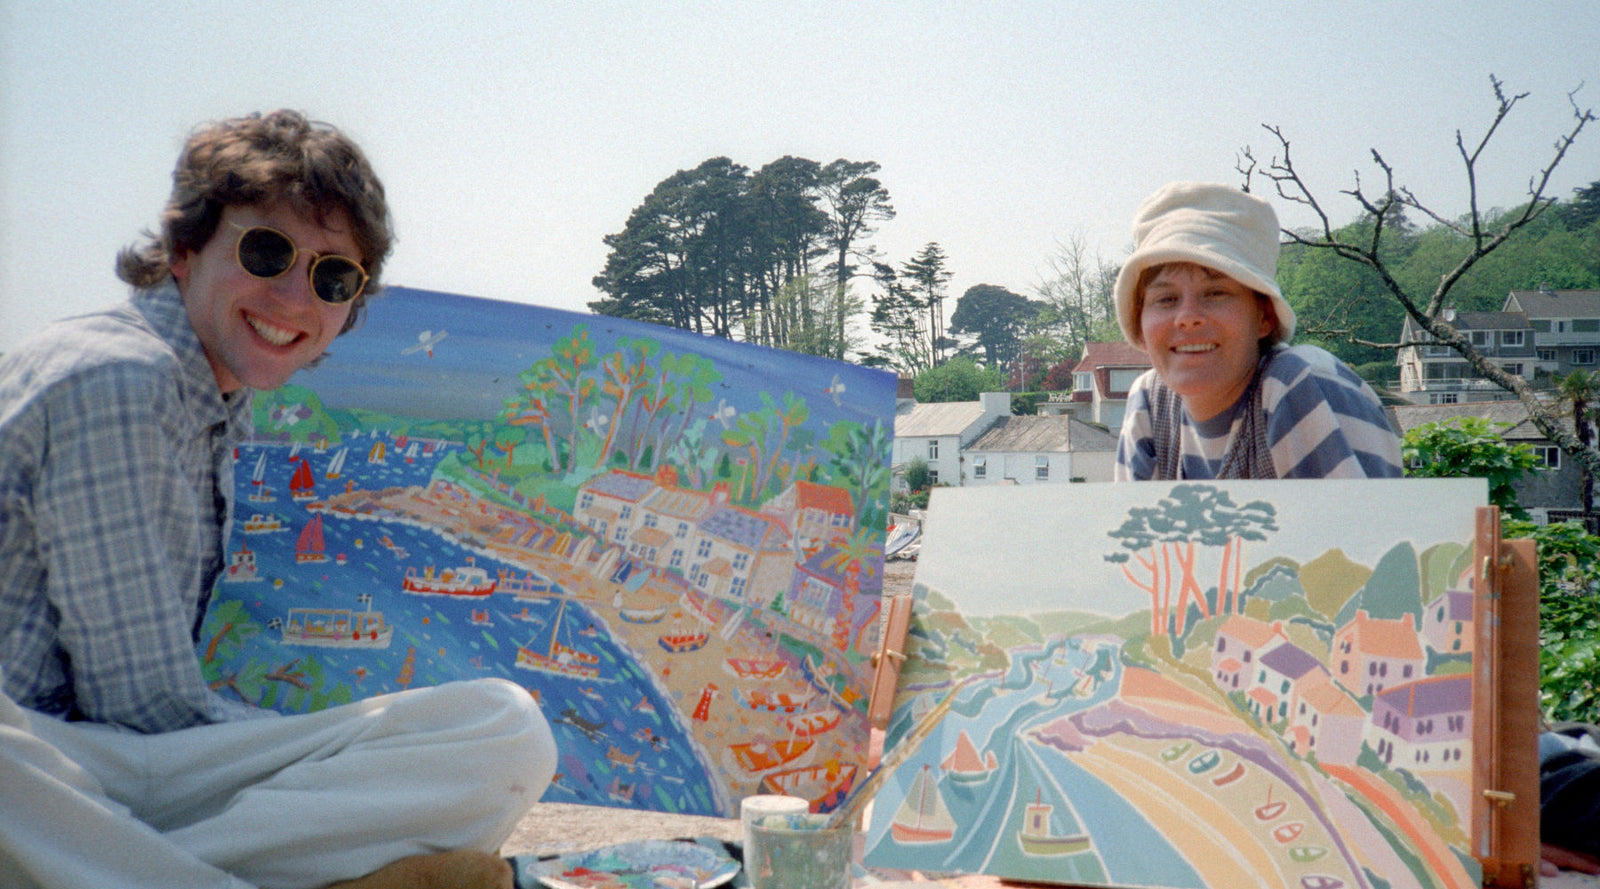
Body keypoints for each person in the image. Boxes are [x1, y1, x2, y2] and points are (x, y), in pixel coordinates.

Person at [0, 110, 555, 889]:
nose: (296, 297)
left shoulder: (213, 394)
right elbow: (140, 704)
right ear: (186, 249)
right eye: (268, 251)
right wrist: (322, 777)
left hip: (99, 771)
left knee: (504, 729)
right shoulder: (120, 379)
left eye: (334, 277)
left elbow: (154, 730)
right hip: (41, 755)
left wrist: (310, 756)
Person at [1111, 181, 1403, 481]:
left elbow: (1361, 526)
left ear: (1264, 316)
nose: (1187, 318)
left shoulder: (1298, 383)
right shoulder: (1149, 402)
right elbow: (1130, 527)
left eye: (1215, 293)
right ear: (1140, 323)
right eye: (1166, 299)